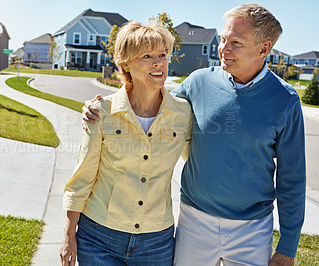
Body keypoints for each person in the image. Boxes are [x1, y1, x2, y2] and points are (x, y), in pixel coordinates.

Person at [82, 4, 306, 266]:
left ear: (264, 48)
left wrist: (288, 247)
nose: (223, 49)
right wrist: (100, 107)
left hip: (252, 228)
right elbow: (147, 104)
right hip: (194, 220)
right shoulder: (198, 83)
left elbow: (292, 179)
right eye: (223, 39)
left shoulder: (285, 100)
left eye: (235, 42)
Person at [59, 21, 193, 266]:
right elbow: (83, 176)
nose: (158, 63)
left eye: (162, 55)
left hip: (157, 241)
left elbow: (200, 163)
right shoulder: (102, 111)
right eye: (147, 56)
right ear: (126, 63)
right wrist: (69, 234)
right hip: (98, 237)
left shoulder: (183, 113)